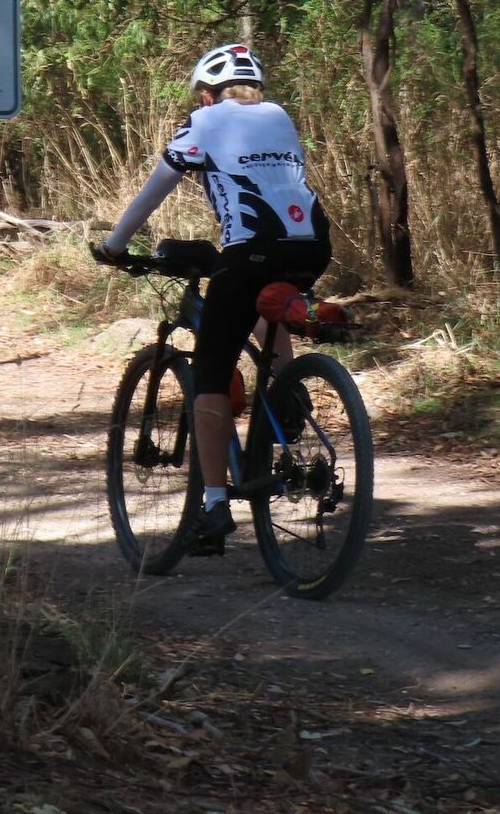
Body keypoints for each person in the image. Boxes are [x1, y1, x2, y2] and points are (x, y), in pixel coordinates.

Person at [94, 43, 331, 553]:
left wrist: (114, 246)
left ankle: (215, 506)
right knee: (263, 303)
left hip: (251, 250)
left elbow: (156, 187)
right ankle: (287, 394)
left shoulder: (204, 121)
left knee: (209, 375)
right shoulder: (279, 116)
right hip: (313, 244)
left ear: (206, 94)